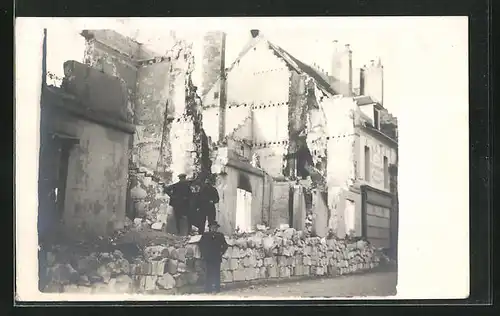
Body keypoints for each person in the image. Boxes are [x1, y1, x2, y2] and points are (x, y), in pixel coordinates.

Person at [199, 221, 228, 293]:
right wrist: (204, 254)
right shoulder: (205, 235)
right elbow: (201, 245)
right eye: (212, 227)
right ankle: (208, 289)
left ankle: (217, 288)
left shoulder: (220, 235)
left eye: (215, 227)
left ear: (217, 228)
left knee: (216, 273)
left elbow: (225, 245)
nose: (214, 229)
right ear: (209, 228)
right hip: (208, 258)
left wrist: (222, 252)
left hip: (217, 257)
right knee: (208, 273)